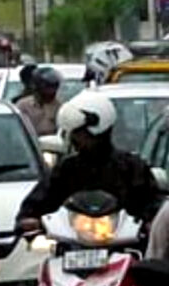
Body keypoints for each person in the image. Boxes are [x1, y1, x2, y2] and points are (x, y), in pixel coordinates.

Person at [17, 92, 163, 233]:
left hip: (123, 244)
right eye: (73, 133)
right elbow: (40, 200)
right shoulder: (67, 169)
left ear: (98, 131)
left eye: (80, 133)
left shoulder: (132, 168)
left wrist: (150, 222)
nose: (74, 138)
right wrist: (28, 219)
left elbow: (153, 204)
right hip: (72, 243)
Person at [15, 66, 62, 136]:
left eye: (54, 90)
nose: (51, 94)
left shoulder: (60, 106)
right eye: (47, 89)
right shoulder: (23, 106)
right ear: (37, 88)